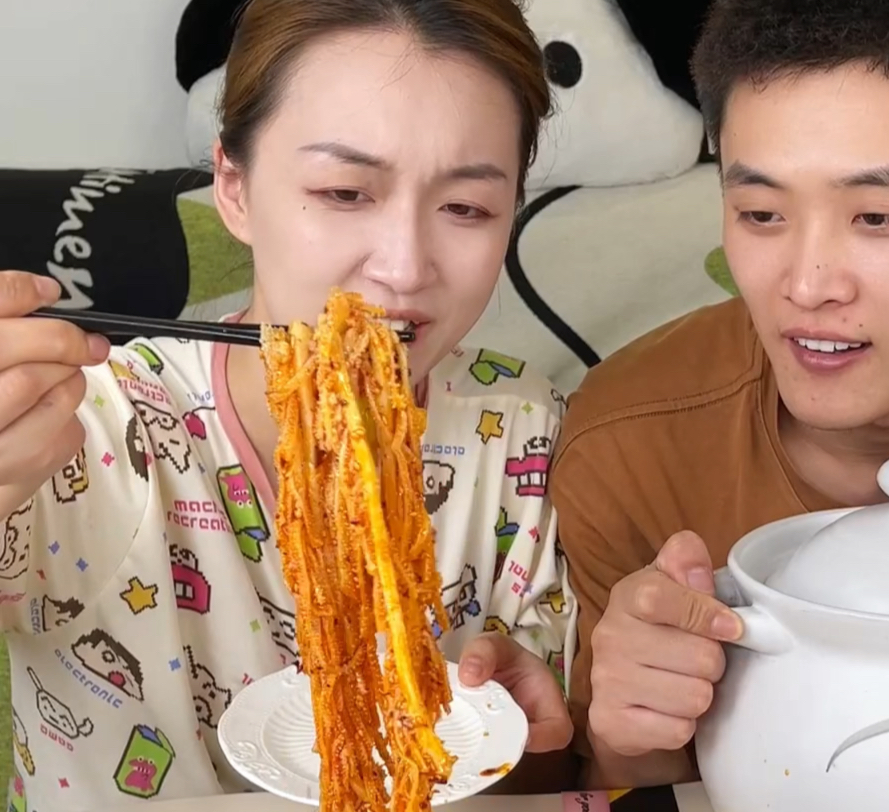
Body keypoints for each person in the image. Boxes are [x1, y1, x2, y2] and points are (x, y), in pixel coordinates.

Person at [0, 1, 577, 808]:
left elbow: (558, 768)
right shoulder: (78, 425)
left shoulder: (526, 429)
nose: (404, 267)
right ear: (234, 190)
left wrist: (533, 725)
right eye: (345, 192)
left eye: (467, 208)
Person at [550, 0, 889, 791]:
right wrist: (634, 728)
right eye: (761, 213)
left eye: (878, 217)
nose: (806, 285)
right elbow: (631, 783)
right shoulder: (626, 445)